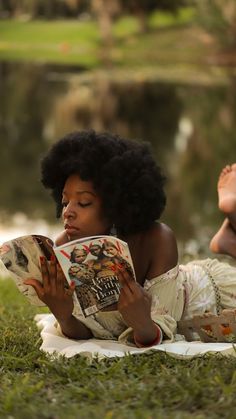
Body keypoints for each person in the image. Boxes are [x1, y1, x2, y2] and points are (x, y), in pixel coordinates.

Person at [23, 131, 236, 348]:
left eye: (84, 202)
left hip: (209, 294)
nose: (68, 212)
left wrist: (142, 323)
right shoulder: (63, 248)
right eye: (65, 201)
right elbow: (85, 332)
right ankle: (229, 237)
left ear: (116, 206)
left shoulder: (156, 239)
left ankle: (232, 225)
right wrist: (63, 315)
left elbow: (160, 334)